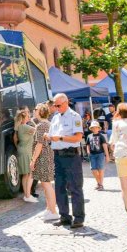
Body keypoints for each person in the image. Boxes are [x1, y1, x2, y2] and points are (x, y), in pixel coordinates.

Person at [47, 93, 85, 229]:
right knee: (59, 187)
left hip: (71, 155)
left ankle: (78, 218)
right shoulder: (55, 118)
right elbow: (53, 136)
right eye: (55, 105)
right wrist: (49, 137)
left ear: (66, 103)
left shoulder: (74, 116)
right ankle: (64, 216)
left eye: (58, 105)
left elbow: (78, 138)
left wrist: (61, 138)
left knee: (75, 187)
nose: (56, 108)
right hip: (58, 155)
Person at [30, 104, 58, 220]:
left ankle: (53, 211)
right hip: (48, 157)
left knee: (46, 185)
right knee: (46, 184)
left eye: (35, 109)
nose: (34, 111)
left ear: (40, 111)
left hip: (43, 158)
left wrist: (33, 160)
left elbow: (39, 145)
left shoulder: (41, 125)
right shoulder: (48, 124)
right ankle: (49, 209)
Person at [13, 108, 37, 203]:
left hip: (22, 150)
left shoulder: (20, 127)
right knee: (30, 174)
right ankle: (27, 195)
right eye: (27, 116)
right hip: (26, 152)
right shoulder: (25, 127)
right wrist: (32, 121)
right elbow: (37, 129)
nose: (29, 117)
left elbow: (15, 140)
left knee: (25, 175)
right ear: (23, 118)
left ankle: (27, 195)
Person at [86, 121, 110, 190]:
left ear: (98, 128)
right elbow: (87, 145)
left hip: (100, 154)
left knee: (100, 169)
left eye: (96, 127)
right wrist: (88, 151)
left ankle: (100, 184)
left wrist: (107, 156)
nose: (94, 129)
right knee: (93, 169)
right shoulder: (89, 136)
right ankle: (99, 183)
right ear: (91, 128)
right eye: (93, 127)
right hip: (92, 155)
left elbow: (105, 146)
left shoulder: (101, 136)